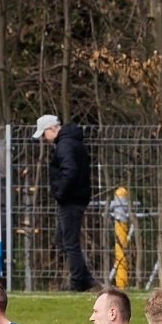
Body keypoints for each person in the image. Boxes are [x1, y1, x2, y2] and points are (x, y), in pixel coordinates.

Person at [34, 114, 94, 292]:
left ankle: (77, 283)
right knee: (62, 239)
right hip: (76, 198)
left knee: (69, 242)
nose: (44, 138)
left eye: (44, 133)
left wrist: (60, 193)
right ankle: (86, 279)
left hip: (71, 200)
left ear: (52, 129)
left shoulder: (64, 146)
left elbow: (70, 171)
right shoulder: (73, 142)